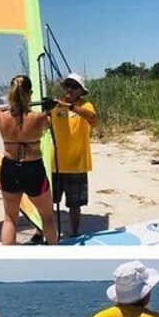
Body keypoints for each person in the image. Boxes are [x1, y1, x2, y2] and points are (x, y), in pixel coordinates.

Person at [0, 75, 58, 245]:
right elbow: (48, 123)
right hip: (33, 169)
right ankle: (57, 256)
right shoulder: (40, 118)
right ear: (30, 94)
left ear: (10, 93)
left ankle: (9, 264)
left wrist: (4, 106)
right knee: (47, 217)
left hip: (10, 168)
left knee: (10, 219)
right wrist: (49, 109)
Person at [50, 72, 98, 237]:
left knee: (74, 204)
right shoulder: (55, 105)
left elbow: (93, 118)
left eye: (74, 86)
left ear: (80, 91)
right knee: (48, 202)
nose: (69, 89)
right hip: (56, 163)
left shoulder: (86, 106)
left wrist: (71, 107)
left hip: (77, 164)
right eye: (67, 85)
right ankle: (40, 231)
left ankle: (74, 233)